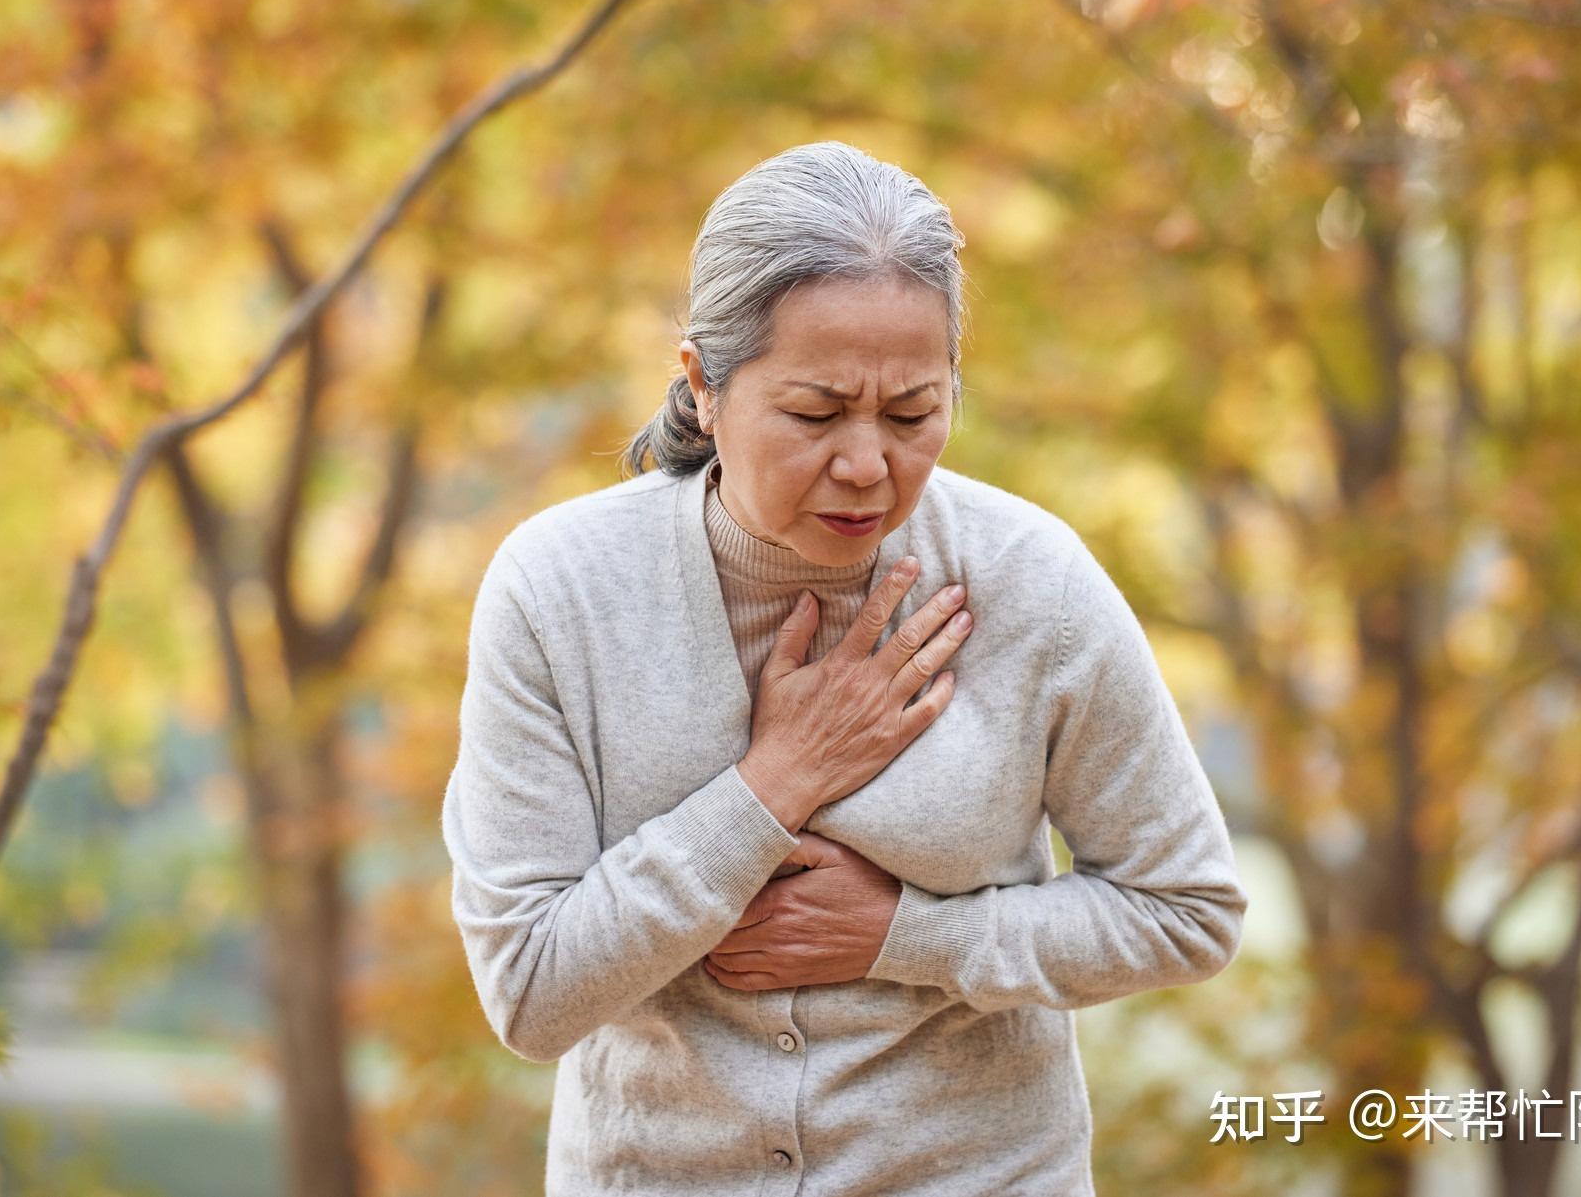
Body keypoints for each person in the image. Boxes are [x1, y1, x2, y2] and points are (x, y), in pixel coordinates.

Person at [441, 140, 1248, 1196]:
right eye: (816, 414)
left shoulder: (1030, 583)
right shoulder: (560, 593)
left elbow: (1187, 909)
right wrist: (773, 784)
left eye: (914, 413)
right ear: (704, 385)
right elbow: (532, 993)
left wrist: (911, 938)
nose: (870, 464)